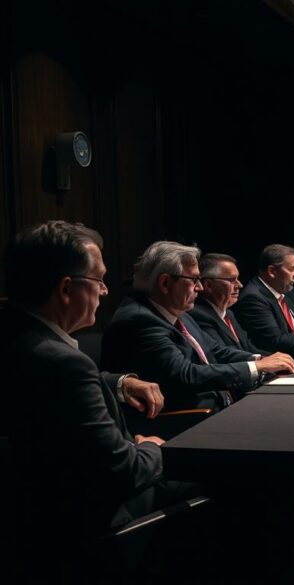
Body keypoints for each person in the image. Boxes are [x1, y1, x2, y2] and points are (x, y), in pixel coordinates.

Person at [0, 221, 174, 578]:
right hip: (94, 531)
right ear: (66, 288)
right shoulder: (65, 364)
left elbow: (46, 384)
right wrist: (152, 447)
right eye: (99, 280)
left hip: (26, 525)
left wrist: (120, 382)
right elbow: (124, 473)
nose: (106, 291)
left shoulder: (15, 335)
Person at [103, 242, 294, 410]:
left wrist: (261, 360)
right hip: (189, 420)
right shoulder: (140, 320)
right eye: (194, 280)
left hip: (219, 405)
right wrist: (256, 366)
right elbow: (186, 374)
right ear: (165, 283)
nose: (200, 287)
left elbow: (216, 350)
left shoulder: (177, 311)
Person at [190, 253, 267, 355]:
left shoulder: (229, 314)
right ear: (208, 285)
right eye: (232, 280)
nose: (239, 285)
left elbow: (249, 349)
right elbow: (224, 355)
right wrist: (263, 362)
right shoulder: (199, 315)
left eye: (237, 279)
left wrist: (280, 359)